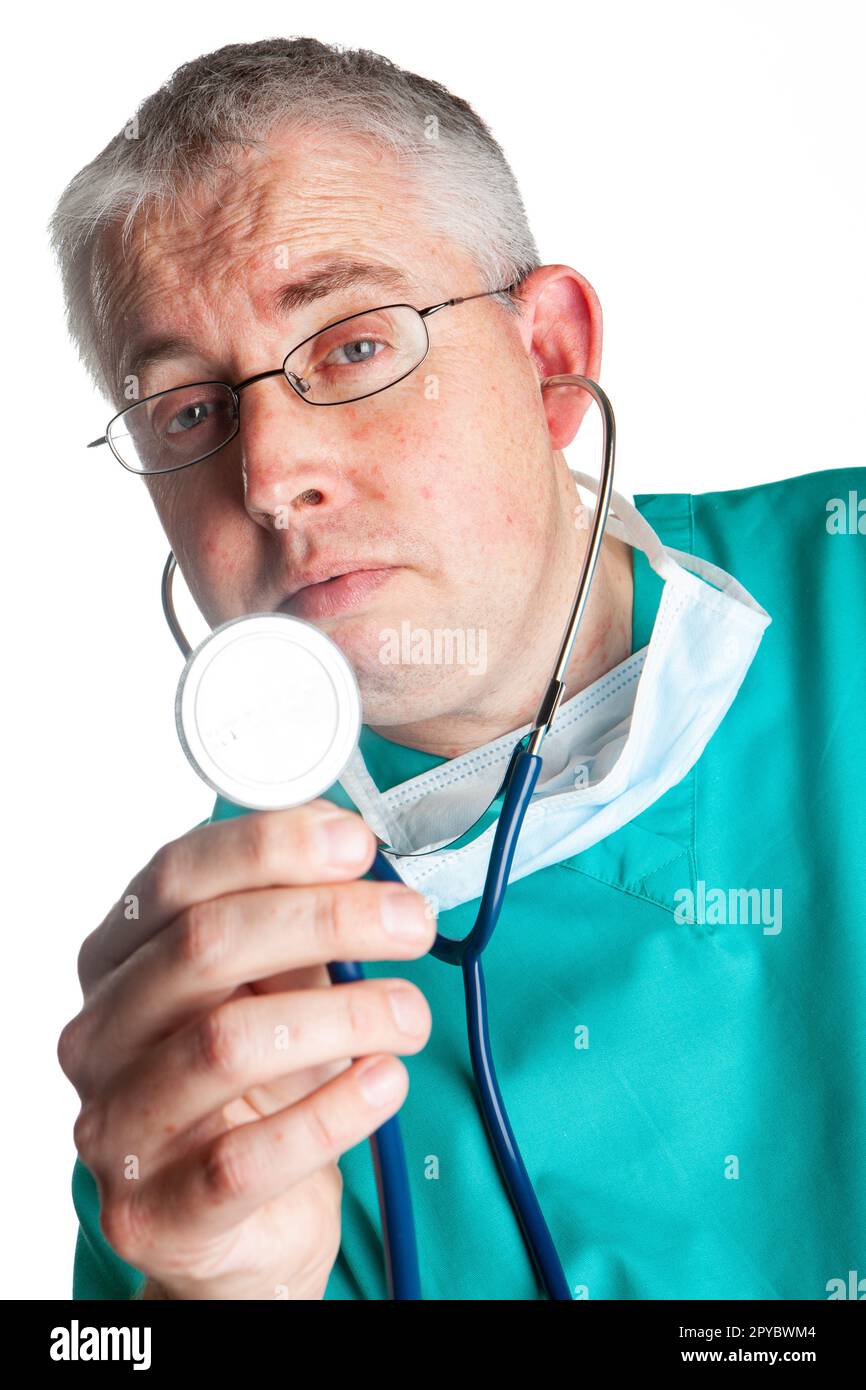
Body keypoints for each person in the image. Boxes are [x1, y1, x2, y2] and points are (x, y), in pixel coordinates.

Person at [50, 36, 865, 1302]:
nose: (269, 478)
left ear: (548, 359)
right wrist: (215, 1295)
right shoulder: (208, 1017)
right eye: (189, 413)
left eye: (352, 344)